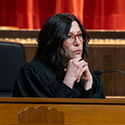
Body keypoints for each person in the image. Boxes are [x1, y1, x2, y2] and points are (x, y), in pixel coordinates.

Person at [13, 13, 105, 98]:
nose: (78, 42)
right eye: (69, 36)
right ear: (53, 41)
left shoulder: (90, 76)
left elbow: (100, 114)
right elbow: (47, 113)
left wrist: (88, 84)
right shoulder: (33, 73)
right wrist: (69, 80)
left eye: (80, 35)